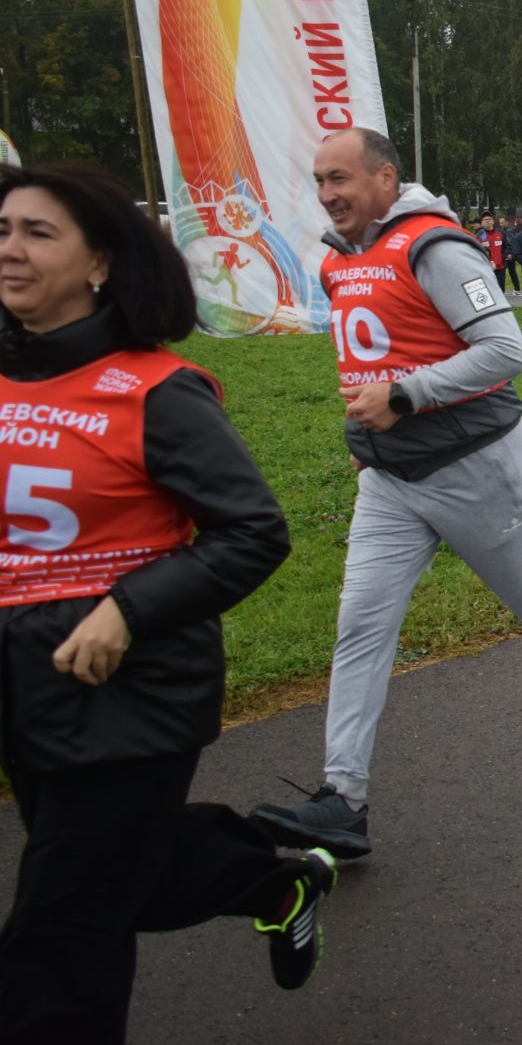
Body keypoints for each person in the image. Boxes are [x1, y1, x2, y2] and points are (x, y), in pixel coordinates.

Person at [249, 129, 522, 860]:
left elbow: (510, 352)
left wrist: (405, 398)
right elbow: (366, 356)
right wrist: (369, 441)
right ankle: (342, 800)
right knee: (360, 626)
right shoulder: (339, 260)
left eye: (340, 177)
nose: (326, 193)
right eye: (318, 179)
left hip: (476, 464)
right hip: (391, 480)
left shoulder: (435, 248)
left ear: (386, 178)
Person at [0, 163, 338, 1039]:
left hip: (131, 692)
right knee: (116, 887)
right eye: (3, 230)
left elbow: (253, 531)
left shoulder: (156, 391)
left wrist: (126, 609)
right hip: (26, 684)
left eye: (39, 233)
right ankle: (272, 876)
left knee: (56, 938)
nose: (11, 249)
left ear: (102, 262)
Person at [474, 211, 508, 294]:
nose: (487, 221)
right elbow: (475, 252)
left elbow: (507, 247)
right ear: (481, 223)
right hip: (485, 269)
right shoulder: (478, 236)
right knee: (489, 292)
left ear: (493, 221)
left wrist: (502, 258)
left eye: (489, 219)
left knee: (500, 291)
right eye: (485, 220)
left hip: (500, 268)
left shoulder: (501, 233)